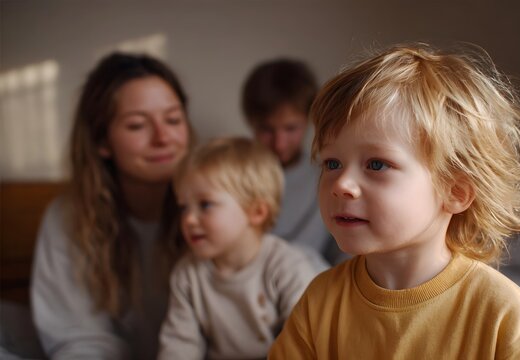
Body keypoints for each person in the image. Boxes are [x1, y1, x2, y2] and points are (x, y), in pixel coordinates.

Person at [269, 43, 520, 359]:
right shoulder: (320, 302)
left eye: (375, 164)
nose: (341, 184)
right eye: (332, 163)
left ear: (455, 191)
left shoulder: (508, 322)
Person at [30, 52, 194, 359]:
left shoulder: (227, 209)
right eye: (136, 125)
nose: (163, 137)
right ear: (102, 141)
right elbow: (79, 337)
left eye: (173, 119)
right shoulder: (68, 218)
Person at [157, 137, 317, 359]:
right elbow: (180, 345)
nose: (189, 219)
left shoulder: (286, 266)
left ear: (256, 212)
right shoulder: (187, 275)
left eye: (205, 204)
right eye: (184, 207)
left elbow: (305, 340)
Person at [241, 59, 344, 266]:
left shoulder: (330, 178)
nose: (279, 143)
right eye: (267, 130)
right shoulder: (233, 178)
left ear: (308, 120)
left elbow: (344, 257)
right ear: (251, 122)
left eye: (290, 128)